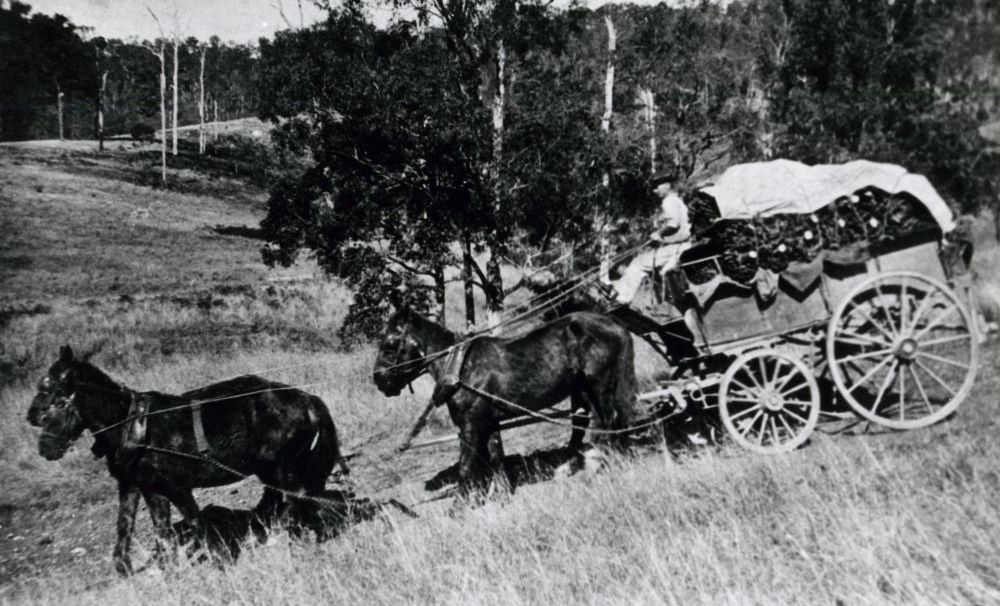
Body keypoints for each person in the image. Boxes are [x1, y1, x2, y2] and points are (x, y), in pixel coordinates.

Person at [609, 171, 692, 305]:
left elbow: (674, 224)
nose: (654, 190)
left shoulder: (668, 202)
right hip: (681, 245)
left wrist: (658, 234)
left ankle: (622, 299)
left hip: (677, 247)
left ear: (666, 185)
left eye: (656, 186)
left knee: (638, 263)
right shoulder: (677, 200)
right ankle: (658, 299)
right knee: (646, 261)